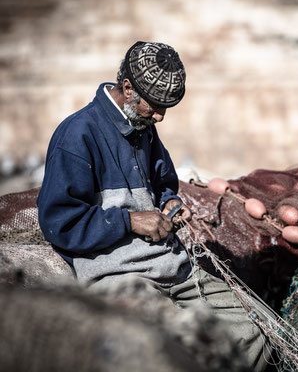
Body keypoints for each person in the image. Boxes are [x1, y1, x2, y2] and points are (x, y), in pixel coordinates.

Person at [37, 41, 272, 371]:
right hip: (118, 275)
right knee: (165, 353)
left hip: (172, 267)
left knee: (255, 330)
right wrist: (130, 221)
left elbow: (163, 185)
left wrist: (170, 203)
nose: (160, 116)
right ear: (128, 88)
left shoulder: (144, 127)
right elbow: (59, 222)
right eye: (156, 106)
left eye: (167, 108)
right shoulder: (77, 135)